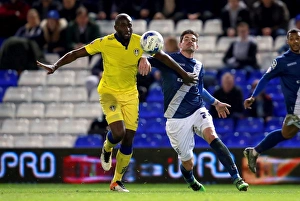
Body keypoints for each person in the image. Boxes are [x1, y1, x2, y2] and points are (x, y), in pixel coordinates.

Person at [37, 13, 197, 192]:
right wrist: (55, 66)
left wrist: (183, 74)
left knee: (129, 137)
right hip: (109, 93)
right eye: (123, 26)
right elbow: (76, 53)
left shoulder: (140, 42)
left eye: (129, 25)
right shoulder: (104, 42)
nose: (127, 29)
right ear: (115, 28)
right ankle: (107, 147)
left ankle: (117, 182)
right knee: (118, 133)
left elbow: (164, 57)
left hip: (130, 95)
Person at [148, 29, 249, 191]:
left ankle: (236, 178)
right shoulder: (169, 59)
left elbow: (198, 89)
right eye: (186, 39)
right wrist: (145, 61)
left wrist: (215, 102)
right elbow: (149, 60)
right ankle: (190, 179)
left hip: (197, 110)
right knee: (188, 161)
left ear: (197, 45)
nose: (190, 41)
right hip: (176, 118)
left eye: (193, 39)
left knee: (212, 136)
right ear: (180, 44)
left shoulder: (199, 66)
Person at [243, 28, 300, 174]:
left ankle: (255, 152)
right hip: (295, 107)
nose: (295, 41)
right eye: (292, 39)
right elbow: (265, 78)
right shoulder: (282, 62)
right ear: (287, 42)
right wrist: (253, 96)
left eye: (298, 38)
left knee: (286, 134)